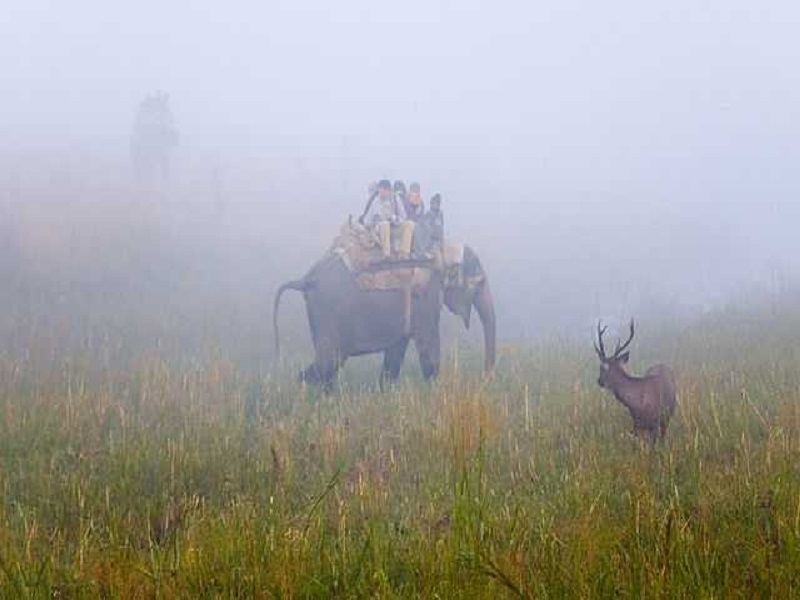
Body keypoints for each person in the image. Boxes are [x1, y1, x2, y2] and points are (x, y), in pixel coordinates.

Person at [359, 180, 414, 259]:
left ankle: (404, 253)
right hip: (380, 230)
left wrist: (395, 219)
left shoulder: (395, 199)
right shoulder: (375, 201)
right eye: (380, 190)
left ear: (389, 190)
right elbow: (367, 221)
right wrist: (374, 225)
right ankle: (386, 254)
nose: (382, 193)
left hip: (394, 227)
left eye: (384, 190)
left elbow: (404, 216)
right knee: (385, 224)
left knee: (409, 224)